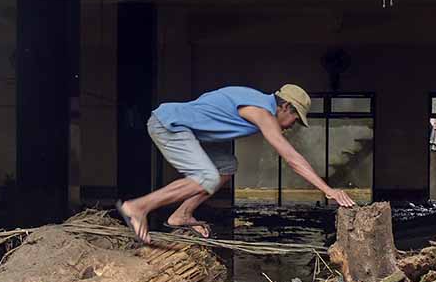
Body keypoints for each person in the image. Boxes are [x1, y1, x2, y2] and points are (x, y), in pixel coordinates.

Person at [116, 84, 356, 243]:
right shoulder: (262, 111)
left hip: (197, 131)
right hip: (170, 125)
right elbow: (291, 158)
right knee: (206, 177)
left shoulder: (255, 100)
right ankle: (138, 207)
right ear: (285, 106)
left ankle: (181, 215)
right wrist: (328, 190)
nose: (293, 123)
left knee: (226, 168)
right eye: (295, 117)